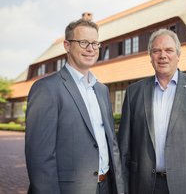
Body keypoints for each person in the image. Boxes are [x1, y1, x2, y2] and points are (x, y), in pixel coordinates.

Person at [118, 29, 186, 194]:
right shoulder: (134, 92)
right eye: (156, 51)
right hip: (143, 186)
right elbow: (124, 149)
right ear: (150, 57)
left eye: (168, 50)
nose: (162, 55)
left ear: (178, 55)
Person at [25, 19, 125, 194]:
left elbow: (112, 145)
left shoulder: (101, 90)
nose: (90, 48)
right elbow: (39, 158)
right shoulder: (47, 88)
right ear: (67, 45)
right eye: (83, 42)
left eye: (95, 43)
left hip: (106, 187)